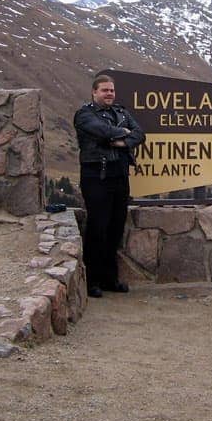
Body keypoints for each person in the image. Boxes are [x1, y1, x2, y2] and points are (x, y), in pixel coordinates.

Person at [74, 74, 145, 298]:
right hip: (97, 176)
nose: (109, 94)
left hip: (120, 176)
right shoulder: (84, 114)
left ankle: (110, 279)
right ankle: (92, 280)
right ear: (94, 92)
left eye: (112, 90)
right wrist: (122, 133)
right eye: (105, 90)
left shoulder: (121, 112)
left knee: (115, 228)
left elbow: (140, 133)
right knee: (98, 227)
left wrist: (122, 140)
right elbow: (102, 131)